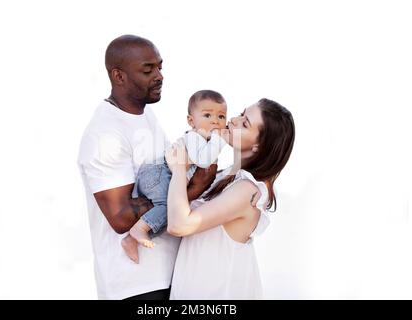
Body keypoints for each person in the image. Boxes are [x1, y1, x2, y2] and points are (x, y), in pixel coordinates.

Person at [77, 35, 217, 300]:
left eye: (160, 67)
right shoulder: (104, 134)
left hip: (174, 273)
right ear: (119, 76)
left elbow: (168, 178)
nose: (160, 76)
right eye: (148, 69)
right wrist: (193, 187)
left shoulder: (146, 115)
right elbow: (121, 217)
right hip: (136, 283)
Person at [165, 98, 295, 299]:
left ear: (259, 146)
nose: (233, 120)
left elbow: (179, 225)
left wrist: (179, 169)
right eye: (241, 114)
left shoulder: (247, 191)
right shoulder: (228, 177)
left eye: (245, 123)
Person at [121, 90, 229, 263]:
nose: (215, 121)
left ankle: (131, 239)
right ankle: (138, 230)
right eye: (207, 115)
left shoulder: (206, 142)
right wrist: (221, 140)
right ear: (191, 121)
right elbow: (203, 160)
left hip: (158, 176)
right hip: (158, 173)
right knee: (169, 207)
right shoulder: (195, 137)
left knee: (171, 214)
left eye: (221, 116)